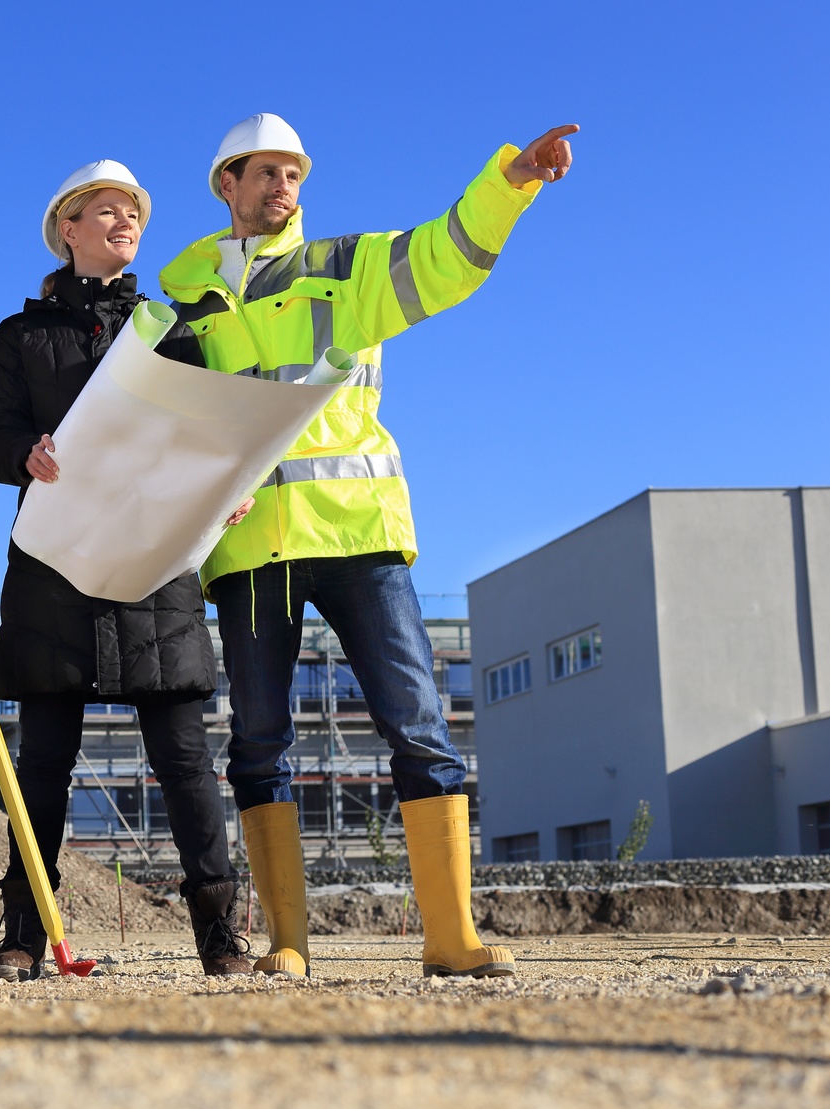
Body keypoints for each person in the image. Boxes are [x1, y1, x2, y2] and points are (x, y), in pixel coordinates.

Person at [159, 114, 578, 979]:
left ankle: (450, 936)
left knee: (418, 726)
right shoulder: (186, 304)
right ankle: (287, 943)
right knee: (259, 744)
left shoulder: (346, 268)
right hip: (249, 552)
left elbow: (443, 257)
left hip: (358, 531)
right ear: (226, 186)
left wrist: (511, 184)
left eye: (294, 173)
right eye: (266, 172)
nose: (284, 187)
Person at [0, 160, 251, 981]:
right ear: (70, 227)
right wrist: (25, 453)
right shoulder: (20, 337)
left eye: (131, 212)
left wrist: (224, 492)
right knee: (43, 765)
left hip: (153, 564)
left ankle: (221, 937)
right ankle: (22, 934)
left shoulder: (168, 328)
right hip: (57, 563)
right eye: (107, 211)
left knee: (184, 759)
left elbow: (209, 432)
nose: (124, 222)